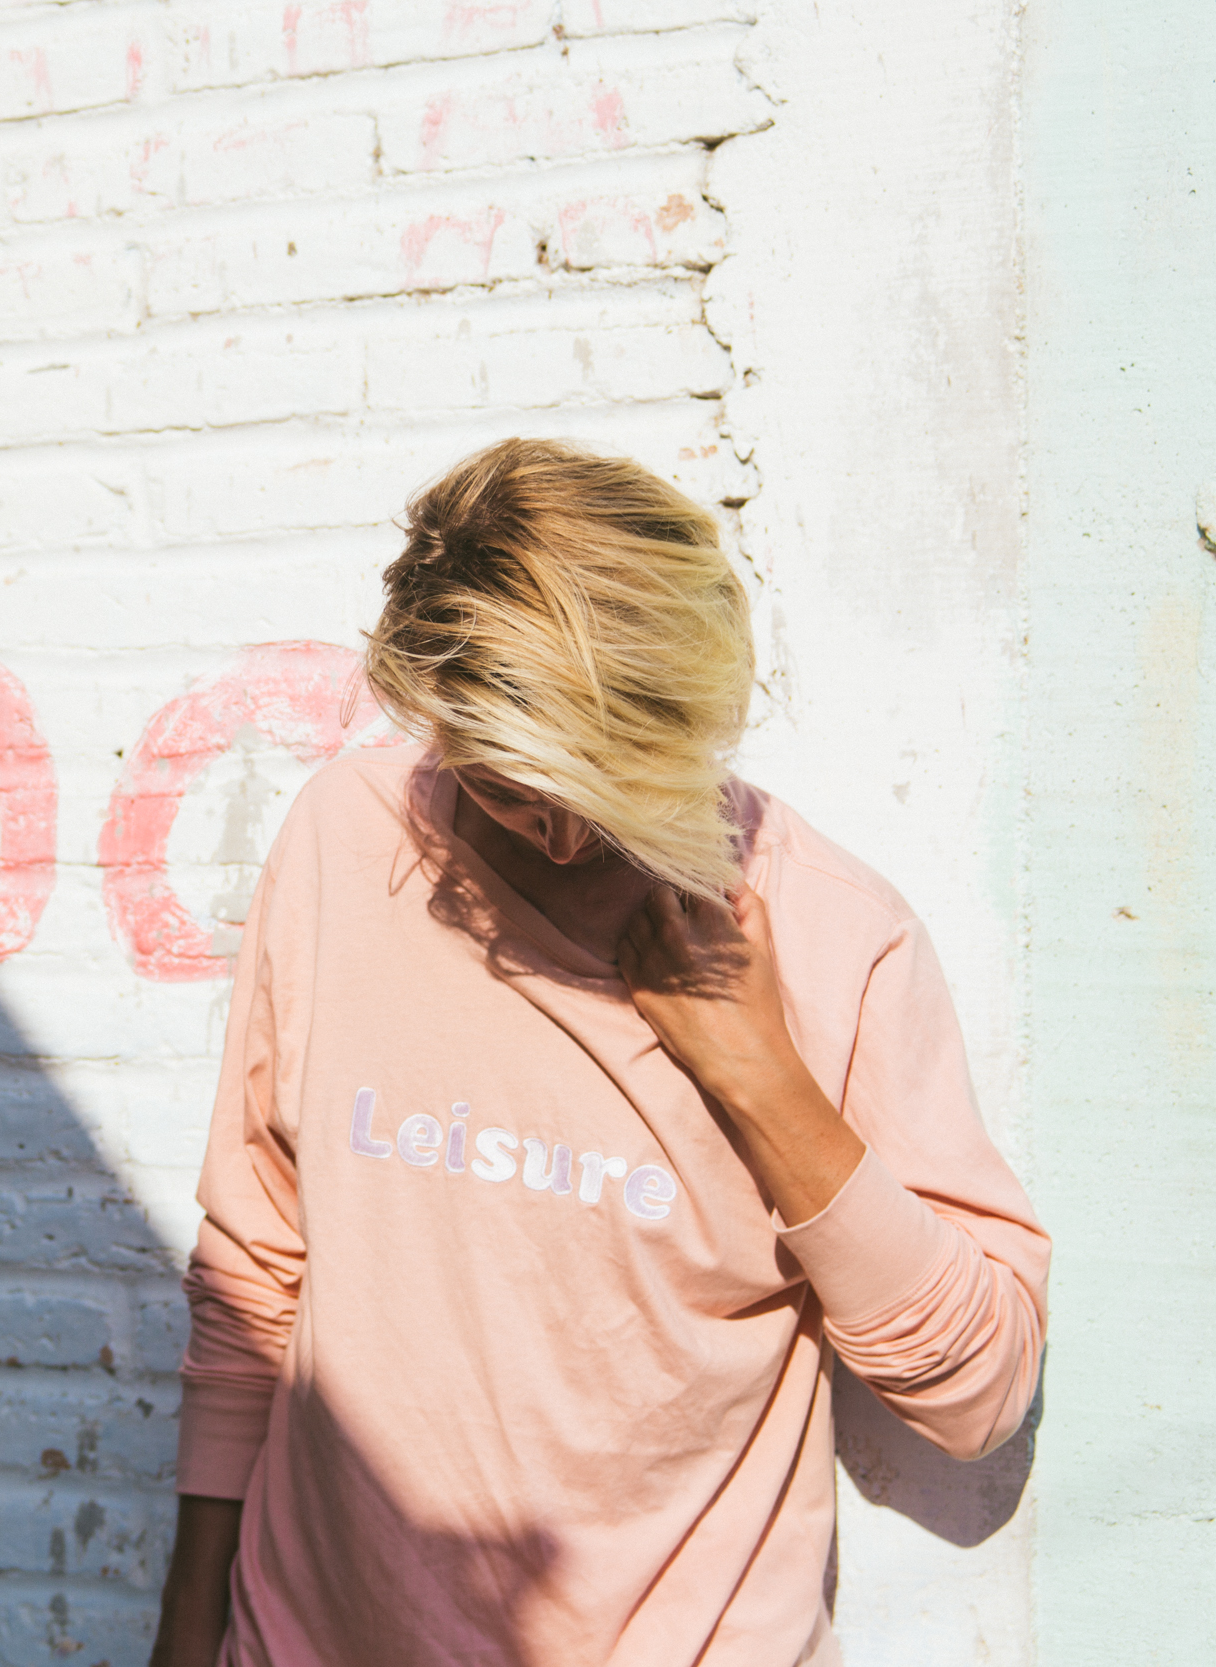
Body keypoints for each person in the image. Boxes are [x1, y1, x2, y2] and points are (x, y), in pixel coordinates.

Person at [147, 439, 1049, 1667]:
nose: (564, 834)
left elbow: (978, 1390)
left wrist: (760, 1075)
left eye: (609, 773)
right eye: (508, 783)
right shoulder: (346, 839)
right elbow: (256, 1258)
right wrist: (188, 1629)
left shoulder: (835, 935)